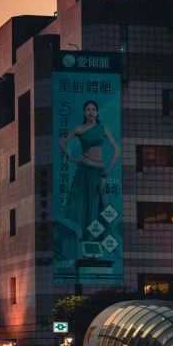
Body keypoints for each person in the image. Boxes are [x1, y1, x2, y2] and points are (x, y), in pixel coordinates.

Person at [56, 100, 121, 262]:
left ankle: (111, 246)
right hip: (83, 172)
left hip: (99, 172)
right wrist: (71, 157)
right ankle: (83, 245)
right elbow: (62, 142)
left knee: (106, 209)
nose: (91, 112)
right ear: (85, 113)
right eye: (88, 109)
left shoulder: (103, 129)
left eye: (93, 109)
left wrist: (109, 169)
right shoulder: (79, 129)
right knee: (83, 208)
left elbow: (117, 149)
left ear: (97, 113)